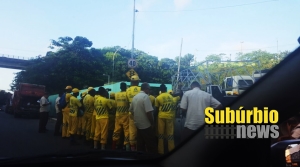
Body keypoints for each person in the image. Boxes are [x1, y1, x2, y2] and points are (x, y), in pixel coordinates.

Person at [129, 82, 157, 154]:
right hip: (146, 125)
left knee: (140, 144)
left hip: (138, 124)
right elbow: (149, 112)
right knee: (150, 143)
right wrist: (152, 123)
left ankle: (140, 157)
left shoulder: (135, 97)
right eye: (149, 89)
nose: (149, 91)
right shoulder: (145, 97)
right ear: (146, 89)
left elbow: (131, 110)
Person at [155, 84, 177, 154]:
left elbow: (156, 109)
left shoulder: (158, 98)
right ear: (166, 89)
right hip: (170, 117)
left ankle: (161, 151)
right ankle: (171, 150)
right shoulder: (171, 97)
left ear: (160, 90)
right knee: (170, 135)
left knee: (161, 135)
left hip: (161, 117)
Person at [112, 82, 130, 151]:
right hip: (125, 115)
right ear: (125, 87)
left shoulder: (116, 94)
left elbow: (116, 104)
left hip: (118, 115)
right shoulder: (127, 94)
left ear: (120, 87)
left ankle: (114, 146)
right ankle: (127, 147)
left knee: (116, 130)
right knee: (126, 131)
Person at [126, 75, 141, 151]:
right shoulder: (140, 89)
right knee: (140, 129)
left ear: (131, 82)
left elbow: (126, 102)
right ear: (138, 82)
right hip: (140, 113)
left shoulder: (128, 90)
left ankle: (132, 147)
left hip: (131, 112)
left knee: (132, 130)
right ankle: (140, 146)